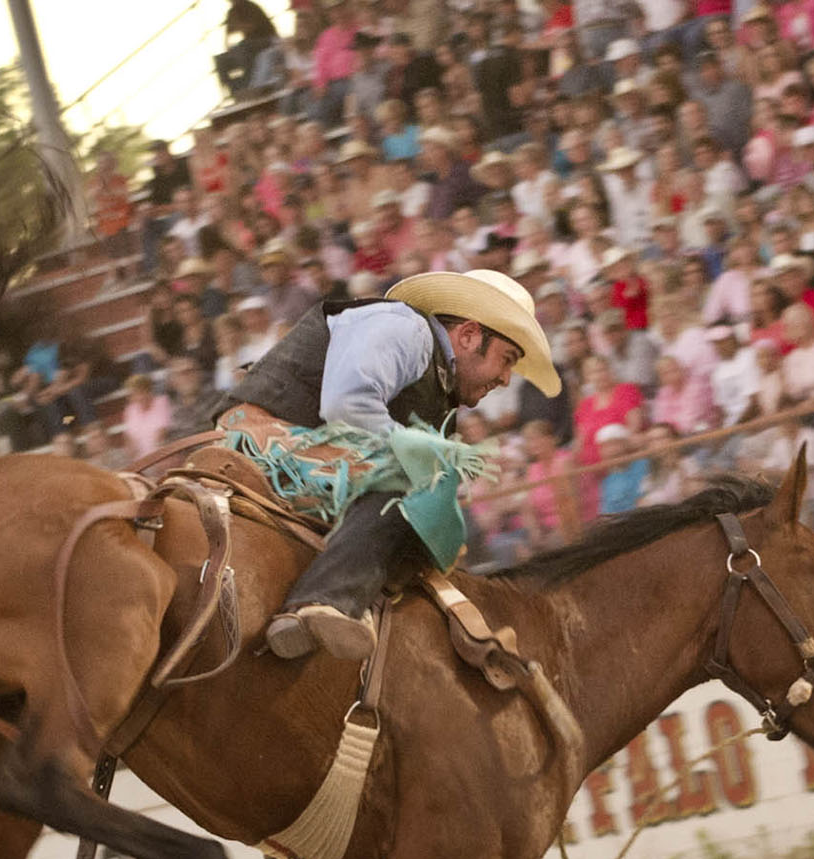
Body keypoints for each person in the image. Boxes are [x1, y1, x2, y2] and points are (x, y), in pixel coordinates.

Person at [215, 268, 559, 660]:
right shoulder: (403, 327)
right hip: (260, 437)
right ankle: (323, 600)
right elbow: (345, 405)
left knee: (425, 516)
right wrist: (414, 450)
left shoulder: (442, 392)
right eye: (507, 359)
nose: (506, 379)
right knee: (414, 486)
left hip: (305, 450)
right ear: (468, 335)